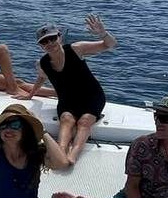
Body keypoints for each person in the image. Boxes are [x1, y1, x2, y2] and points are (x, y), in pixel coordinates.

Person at [25, 17, 117, 165]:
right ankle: (60, 152)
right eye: (44, 41)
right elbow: (41, 78)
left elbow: (110, 45)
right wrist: (30, 95)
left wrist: (103, 33)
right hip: (67, 100)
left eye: (52, 38)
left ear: (59, 37)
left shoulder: (76, 49)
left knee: (84, 122)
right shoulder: (43, 63)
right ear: (41, 46)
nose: (49, 43)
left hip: (92, 97)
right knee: (66, 119)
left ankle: (73, 155)